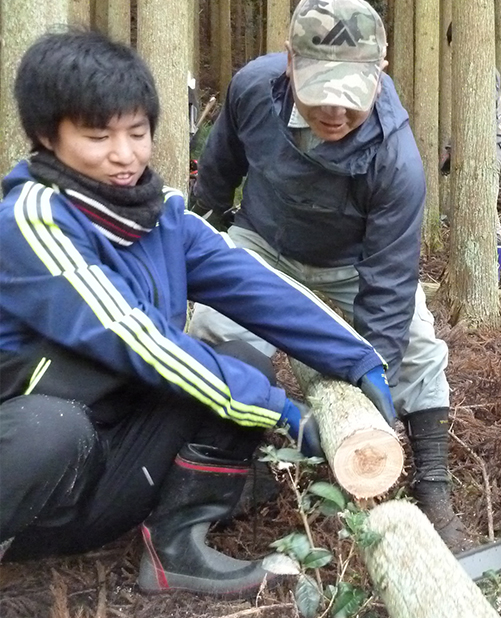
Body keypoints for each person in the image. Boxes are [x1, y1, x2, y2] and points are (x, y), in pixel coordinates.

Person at [0, 30, 396, 596]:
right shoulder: (33, 220)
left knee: (241, 362)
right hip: (34, 470)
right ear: (47, 136)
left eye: (137, 133)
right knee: (51, 429)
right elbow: (136, 338)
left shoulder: (157, 215)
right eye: (97, 136)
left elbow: (256, 286)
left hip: (102, 470)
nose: (125, 154)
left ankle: (176, 548)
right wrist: (286, 414)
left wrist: (359, 360)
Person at [185, 0, 469, 549]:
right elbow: (219, 173)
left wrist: (374, 376)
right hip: (264, 243)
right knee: (213, 333)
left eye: (351, 99)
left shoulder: (397, 159)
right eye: (321, 94)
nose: (335, 113)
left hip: (353, 262)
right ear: (290, 63)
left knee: (418, 347)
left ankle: (434, 488)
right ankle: (226, 466)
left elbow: (388, 284)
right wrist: (201, 244)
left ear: (379, 73)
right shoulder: (252, 89)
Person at [439, 21, 501, 273]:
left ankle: (495, 272)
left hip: (490, 146)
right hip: (473, 146)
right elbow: (463, 121)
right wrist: (451, 148)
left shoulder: (486, 72)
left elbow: (485, 119)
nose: (455, 51)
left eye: (455, 44)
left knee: (486, 206)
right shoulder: (466, 72)